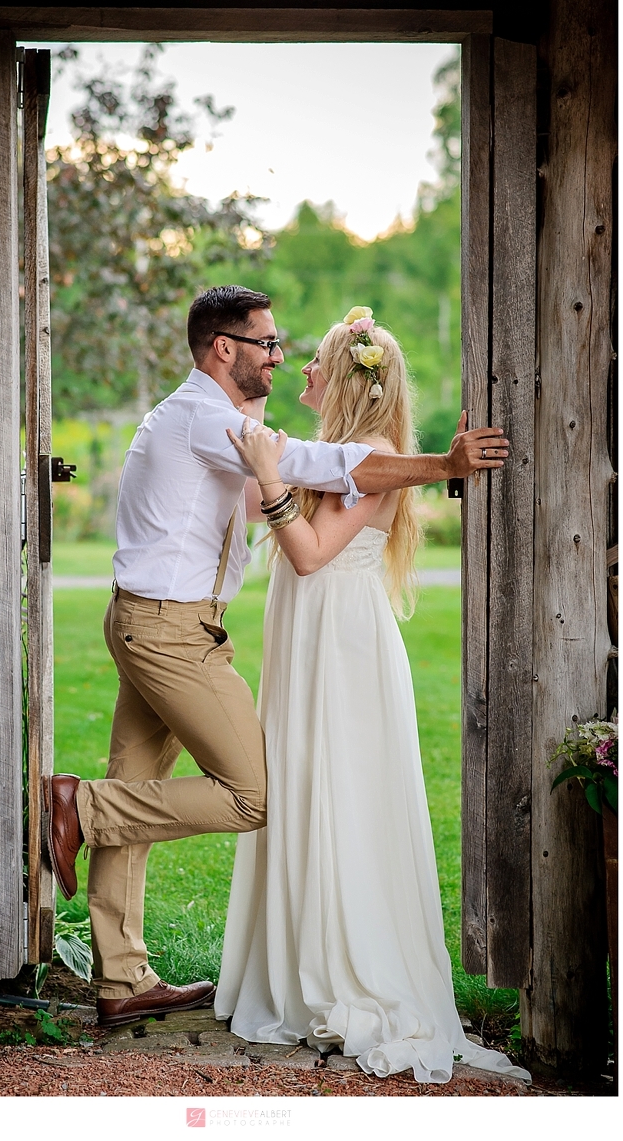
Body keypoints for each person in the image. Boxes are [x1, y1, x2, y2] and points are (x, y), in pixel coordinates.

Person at [46, 287, 509, 1030]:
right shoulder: (208, 419)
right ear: (224, 349)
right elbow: (316, 463)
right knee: (249, 795)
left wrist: (424, 465)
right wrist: (442, 463)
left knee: (137, 786)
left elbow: (322, 475)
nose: (281, 356)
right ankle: (74, 806)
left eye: (293, 349)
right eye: (267, 343)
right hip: (167, 629)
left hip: (157, 622)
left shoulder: (215, 415)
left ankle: (121, 977)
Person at [214, 311, 530, 1085]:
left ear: (347, 380)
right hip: (307, 640)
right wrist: (260, 451)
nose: (304, 375)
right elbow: (260, 504)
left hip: (343, 643)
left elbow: (313, 553)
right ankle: (294, 957)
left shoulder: (381, 457)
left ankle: (345, 966)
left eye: (316, 364)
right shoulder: (332, 455)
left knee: (342, 791)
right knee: (300, 784)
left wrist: (268, 475)